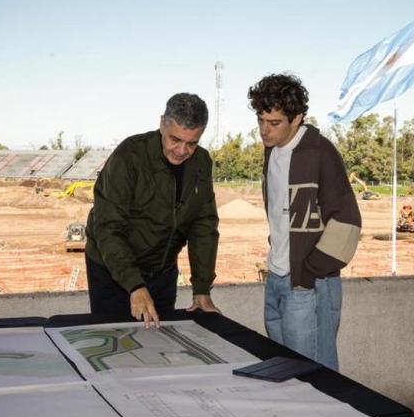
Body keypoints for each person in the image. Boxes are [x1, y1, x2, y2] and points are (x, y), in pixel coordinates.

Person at [248, 73, 361, 371]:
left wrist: (308, 273)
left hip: (309, 284)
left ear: (297, 118)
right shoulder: (271, 152)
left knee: (314, 377)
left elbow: (347, 221)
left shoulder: (320, 152)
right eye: (261, 121)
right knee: (285, 372)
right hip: (276, 278)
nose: (264, 131)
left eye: (274, 124)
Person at [85, 93, 221, 328]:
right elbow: (108, 227)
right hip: (113, 271)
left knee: (158, 345)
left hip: (162, 271)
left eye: (192, 143)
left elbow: (204, 227)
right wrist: (134, 285)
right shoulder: (129, 156)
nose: (181, 151)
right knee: (117, 344)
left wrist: (201, 289)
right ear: (162, 124)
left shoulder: (201, 163)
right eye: (175, 139)